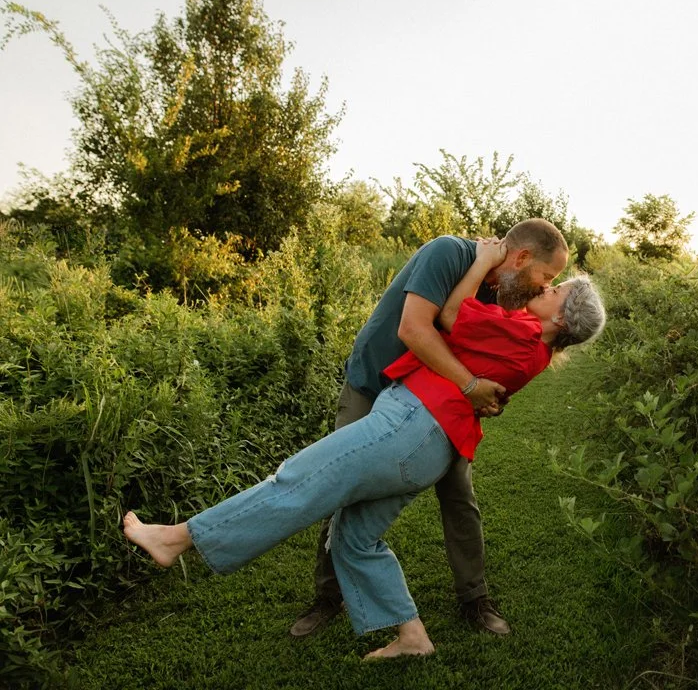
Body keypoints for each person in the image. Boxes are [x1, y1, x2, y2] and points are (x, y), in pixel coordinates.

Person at [123, 238, 606, 659]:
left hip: (408, 426)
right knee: (354, 538)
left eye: (556, 290)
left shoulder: (524, 334)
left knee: (300, 478)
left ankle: (179, 538)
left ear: (562, 317)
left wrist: (481, 260)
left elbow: (452, 317)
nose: (547, 288)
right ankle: (411, 634)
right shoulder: (528, 339)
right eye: (550, 279)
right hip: (423, 442)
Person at [288, 219, 569, 639]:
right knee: (339, 482)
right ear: (523, 257)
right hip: (376, 381)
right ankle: (329, 596)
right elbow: (414, 328)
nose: (542, 287)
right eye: (546, 277)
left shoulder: (505, 291)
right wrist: (471, 385)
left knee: (459, 495)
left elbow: (484, 347)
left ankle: (475, 598)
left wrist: (488, 394)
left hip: (437, 401)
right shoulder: (449, 254)